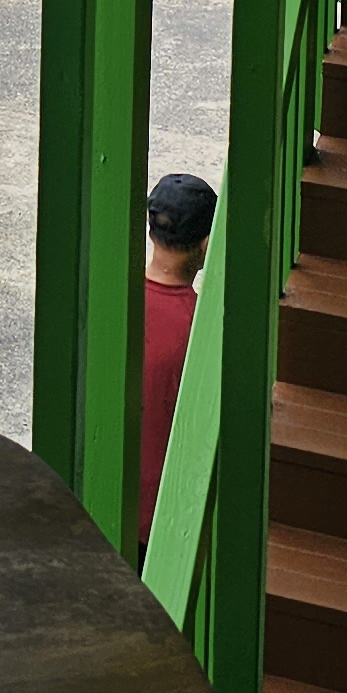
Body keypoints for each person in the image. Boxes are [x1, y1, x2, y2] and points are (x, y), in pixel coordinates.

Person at [136, 170, 217, 543]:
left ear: (152, 233)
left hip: (92, 500)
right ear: (205, 245)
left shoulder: (109, 300)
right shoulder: (202, 329)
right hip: (161, 520)